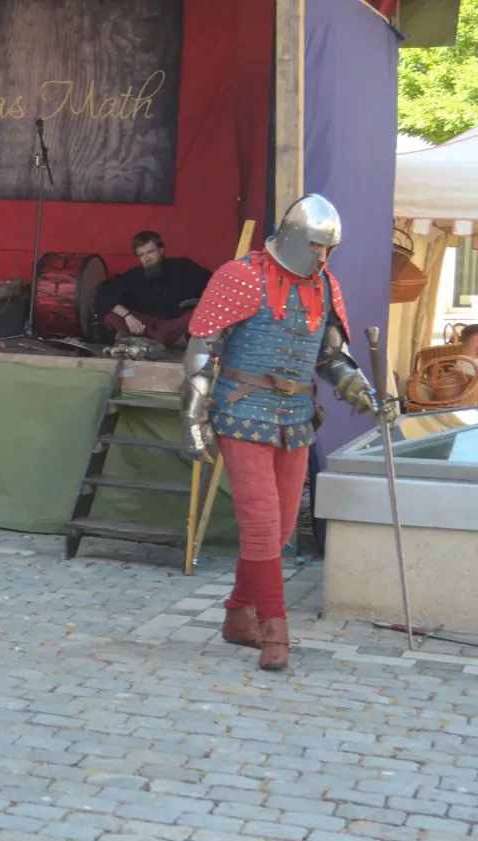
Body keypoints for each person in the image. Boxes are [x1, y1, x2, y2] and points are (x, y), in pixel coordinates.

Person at [182, 194, 380, 672]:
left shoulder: (325, 286)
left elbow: (330, 356)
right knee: (262, 524)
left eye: (328, 248)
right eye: (315, 245)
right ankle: (275, 630)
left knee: (285, 527)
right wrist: (193, 416)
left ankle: (235, 613)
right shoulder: (240, 275)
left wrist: (360, 388)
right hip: (241, 408)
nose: (322, 257)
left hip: (294, 414)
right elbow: (202, 351)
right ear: (295, 237)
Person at [98, 231, 213, 346]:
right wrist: (128, 317)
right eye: (141, 255)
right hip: (146, 327)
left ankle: (159, 341)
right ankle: (159, 341)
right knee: (111, 317)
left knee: (199, 313)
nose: (147, 258)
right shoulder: (133, 276)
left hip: (175, 325)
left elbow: (212, 283)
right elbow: (106, 295)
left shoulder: (182, 267)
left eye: (150, 252)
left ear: (161, 250)